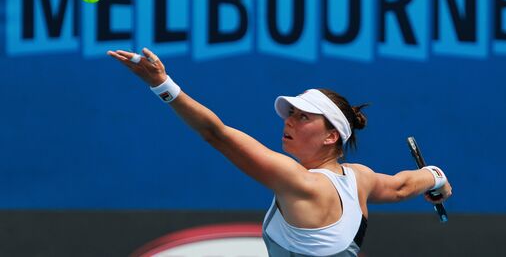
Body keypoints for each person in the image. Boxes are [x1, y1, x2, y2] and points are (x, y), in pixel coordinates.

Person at [107, 48, 452, 257]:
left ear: (332, 135)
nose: (290, 121)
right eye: (291, 114)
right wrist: (436, 178)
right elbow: (404, 185)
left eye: (304, 117)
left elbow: (216, 134)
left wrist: (162, 85)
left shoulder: (298, 181)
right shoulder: (359, 179)